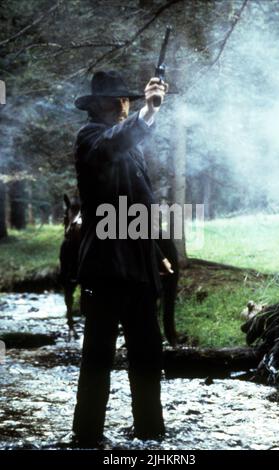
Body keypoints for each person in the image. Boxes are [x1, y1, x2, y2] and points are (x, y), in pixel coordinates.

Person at [71, 70, 171, 446]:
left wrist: (155, 251)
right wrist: (148, 112)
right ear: (97, 106)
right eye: (115, 100)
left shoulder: (131, 145)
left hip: (139, 265)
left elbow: (135, 204)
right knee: (98, 354)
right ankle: (86, 436)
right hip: (104, 266)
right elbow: (114, 142)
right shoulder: (91, 139)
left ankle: (151, 433)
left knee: (147, 352)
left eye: (124, 100)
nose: (121, 105)